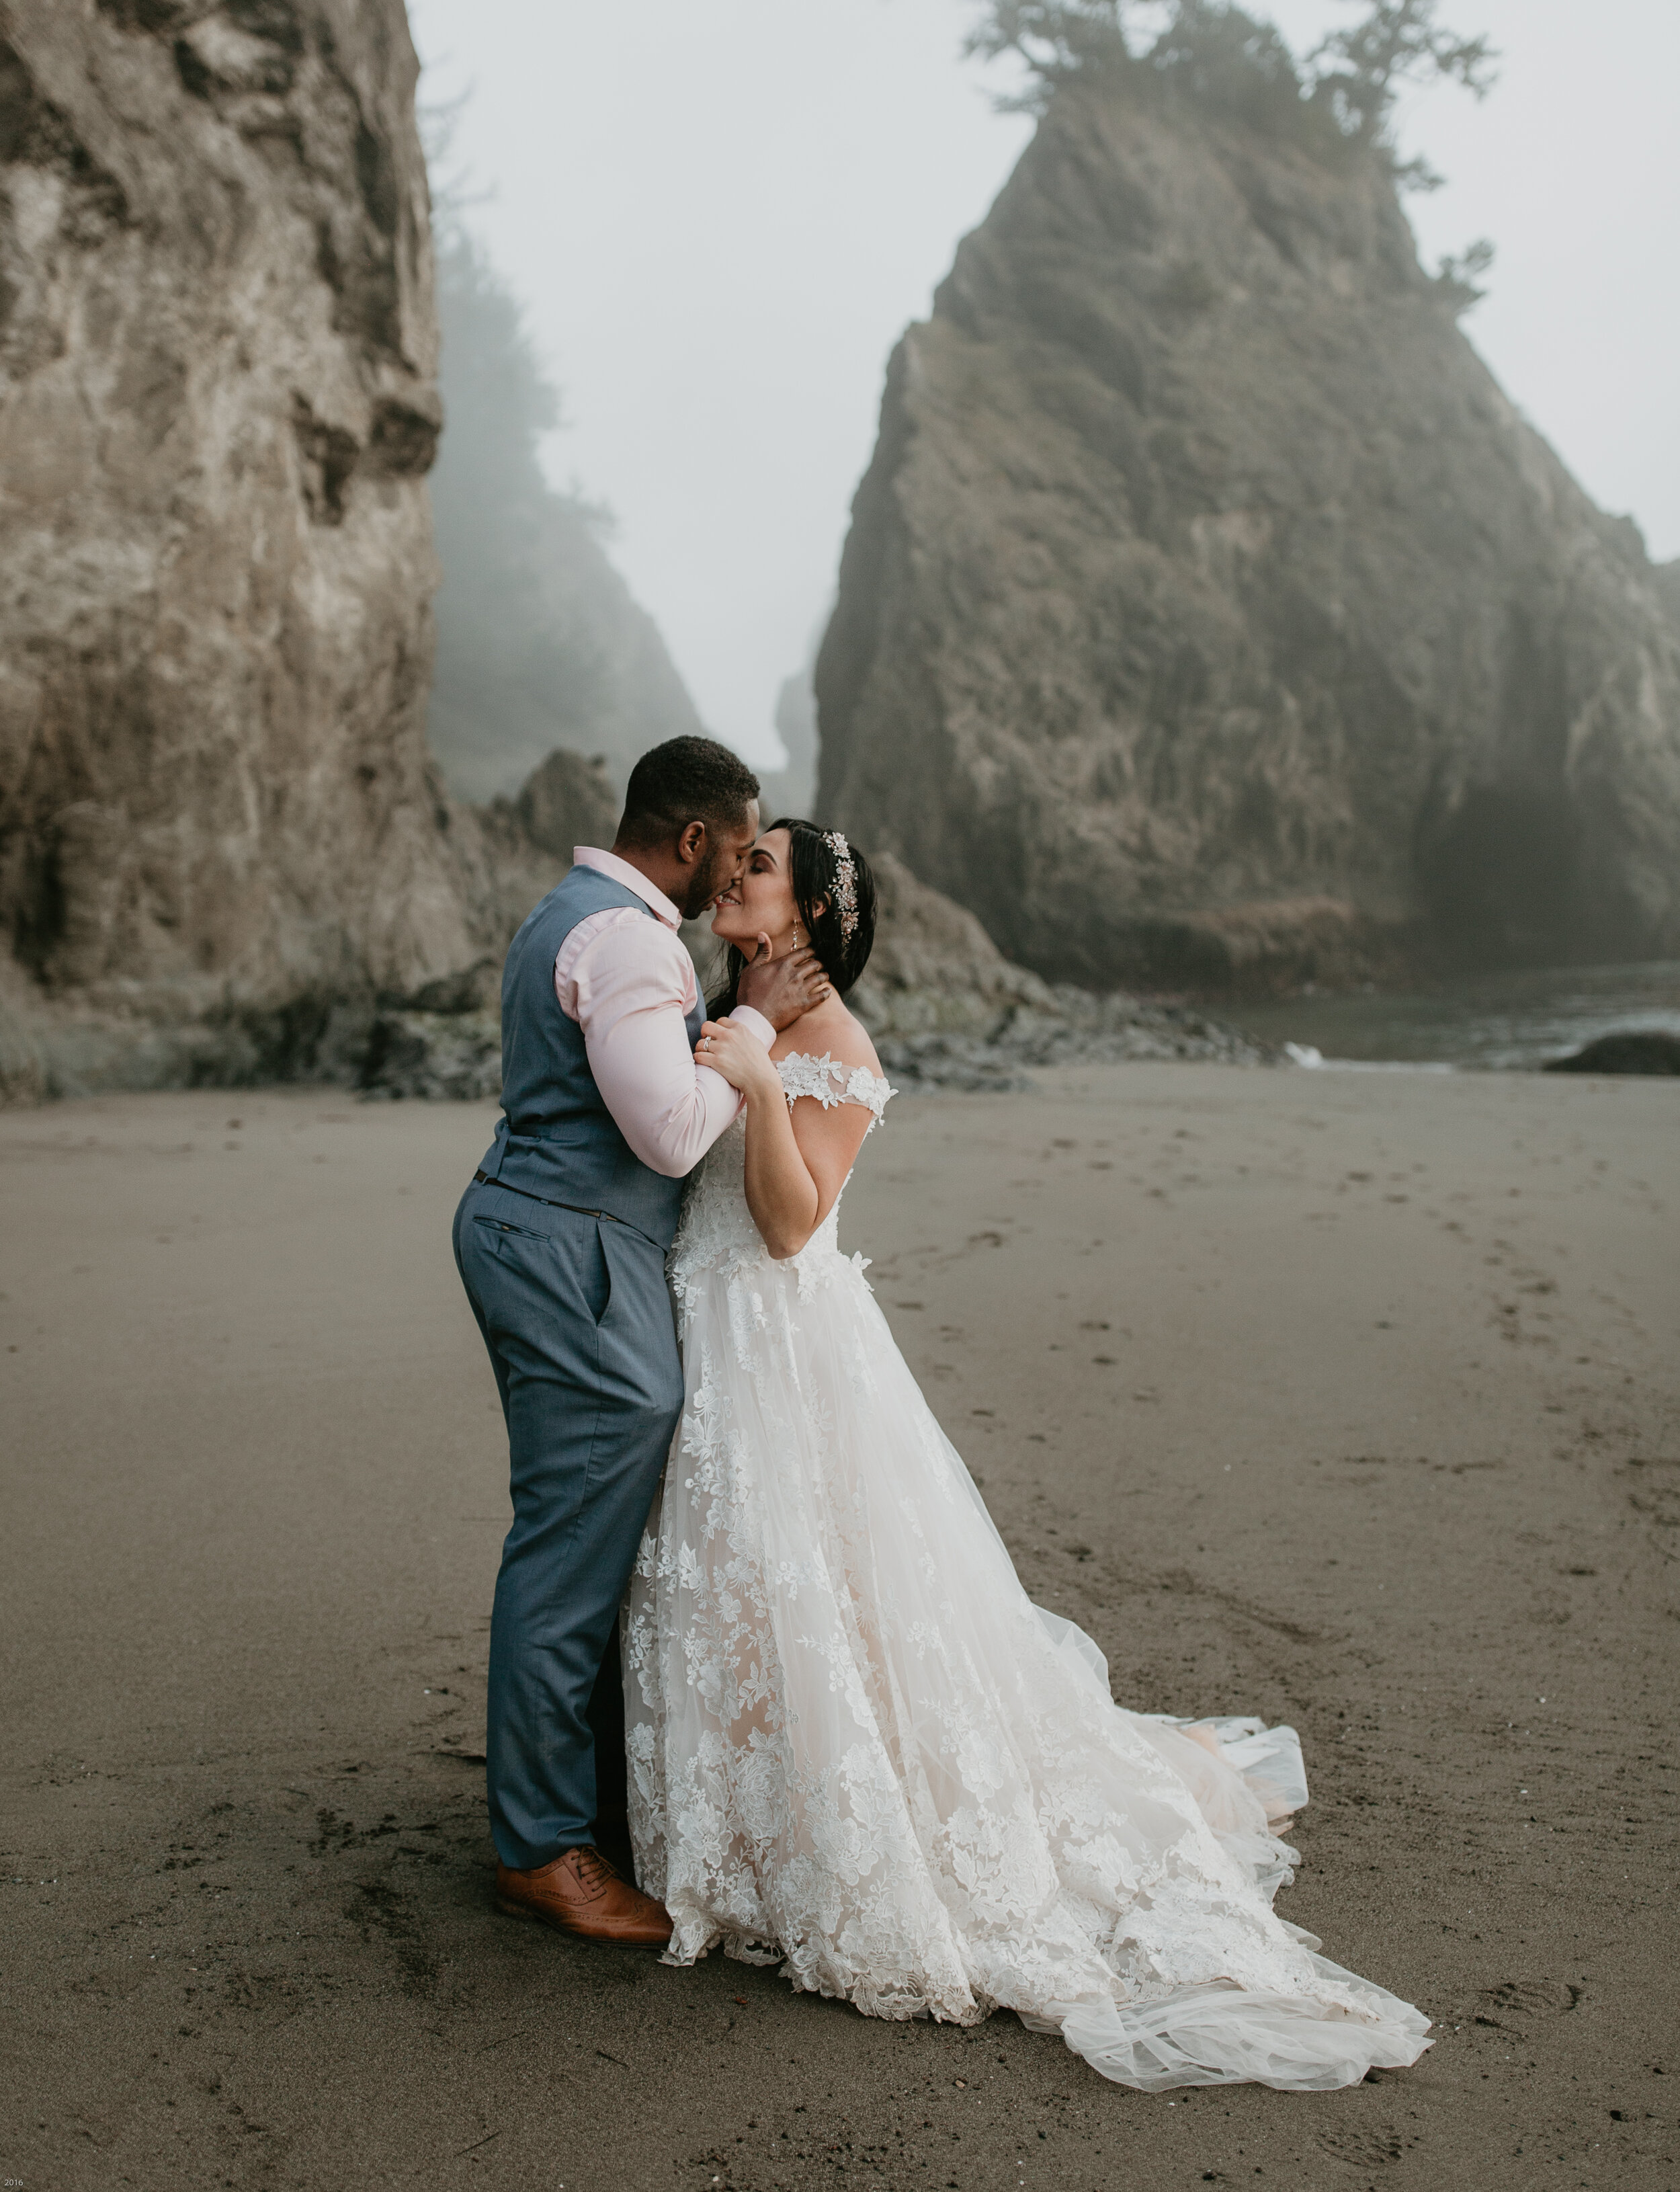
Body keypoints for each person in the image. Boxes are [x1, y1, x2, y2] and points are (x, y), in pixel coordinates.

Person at [621, 817, 1432, 2092]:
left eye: (762, 863)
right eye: (740, 858)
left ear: (812, 918)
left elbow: (786, 1227)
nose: (735, 873)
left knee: (822, 1605)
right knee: (744, 1598)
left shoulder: (833, 1047)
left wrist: (768, 1075)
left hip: (780, 1350)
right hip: (716, 1347)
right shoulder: (739, 1011)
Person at [452, 738, 829, 1947]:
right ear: (690, 843)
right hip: (571, 1249)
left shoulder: (572, 916)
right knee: (569, 1537)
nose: (731, 879)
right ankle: (544, 1848)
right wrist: (756, 1028)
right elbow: (670, 1133)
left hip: (549, 1230)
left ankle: (579, 1798)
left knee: (592, 1525)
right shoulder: (628, 942)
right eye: (737, 848)